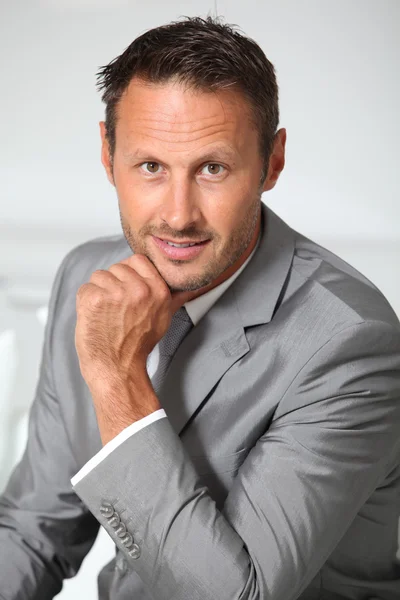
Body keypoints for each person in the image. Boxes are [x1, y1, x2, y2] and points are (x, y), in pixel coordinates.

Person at [0, 14, 399, 600]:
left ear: (272, 162)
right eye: (151, 167)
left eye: (212, 168)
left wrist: (116, 376)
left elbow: (239, 595)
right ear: (108, 157)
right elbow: (35, 531)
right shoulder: (86, 279)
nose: (179, 214)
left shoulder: (351, 343)